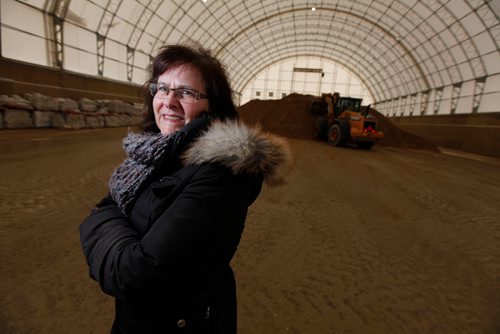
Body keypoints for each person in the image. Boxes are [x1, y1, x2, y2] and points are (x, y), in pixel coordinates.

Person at [79, 44, 292, 334]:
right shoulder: (158, 154)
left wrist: (97, 215)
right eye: (162, 88)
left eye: (186, 92)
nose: (169, 100)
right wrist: (108, 215)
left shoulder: (221, 175)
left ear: (212, 105)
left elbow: (136, 274)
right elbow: (113, 210)